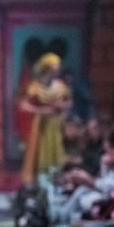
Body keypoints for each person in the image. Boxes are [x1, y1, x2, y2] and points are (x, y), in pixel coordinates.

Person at [20, 52, 70, 183]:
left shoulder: (61, 86)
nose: (58, 68)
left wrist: (62, 105)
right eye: (55, 66)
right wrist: (41, 110)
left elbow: (69, 102)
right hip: (41, 125)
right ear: (47, 68)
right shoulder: (35, 87)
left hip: (56, 125)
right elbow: (24, 105)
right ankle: (41, 182)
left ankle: (56, 181)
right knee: (41, 151)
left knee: (56, 150)